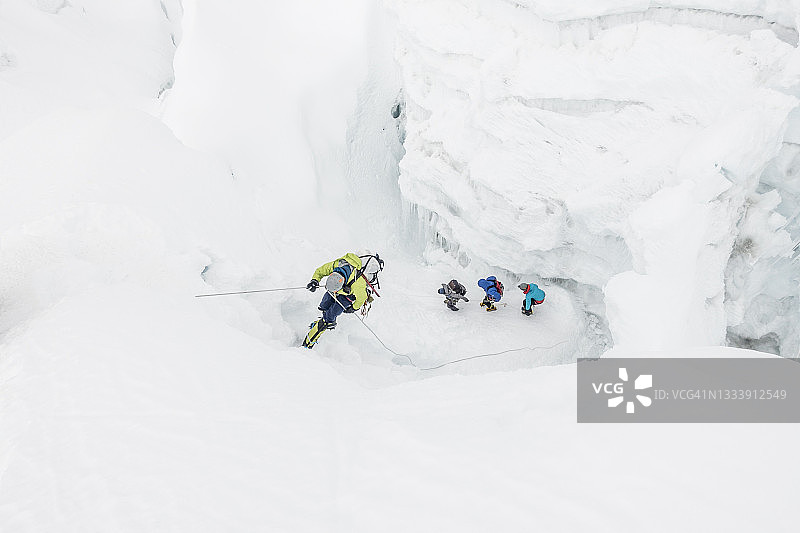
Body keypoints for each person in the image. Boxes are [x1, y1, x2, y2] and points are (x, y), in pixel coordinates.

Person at [302, 251, 384, 348]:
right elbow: (320, 270)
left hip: (347, 296)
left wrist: (353, 307)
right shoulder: (337, 265)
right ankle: (323, 323)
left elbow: (361, 298)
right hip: (333, 289)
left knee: (328, 318)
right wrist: (314, 281)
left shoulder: (358, 283)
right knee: (324, 306)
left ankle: (309, 342)